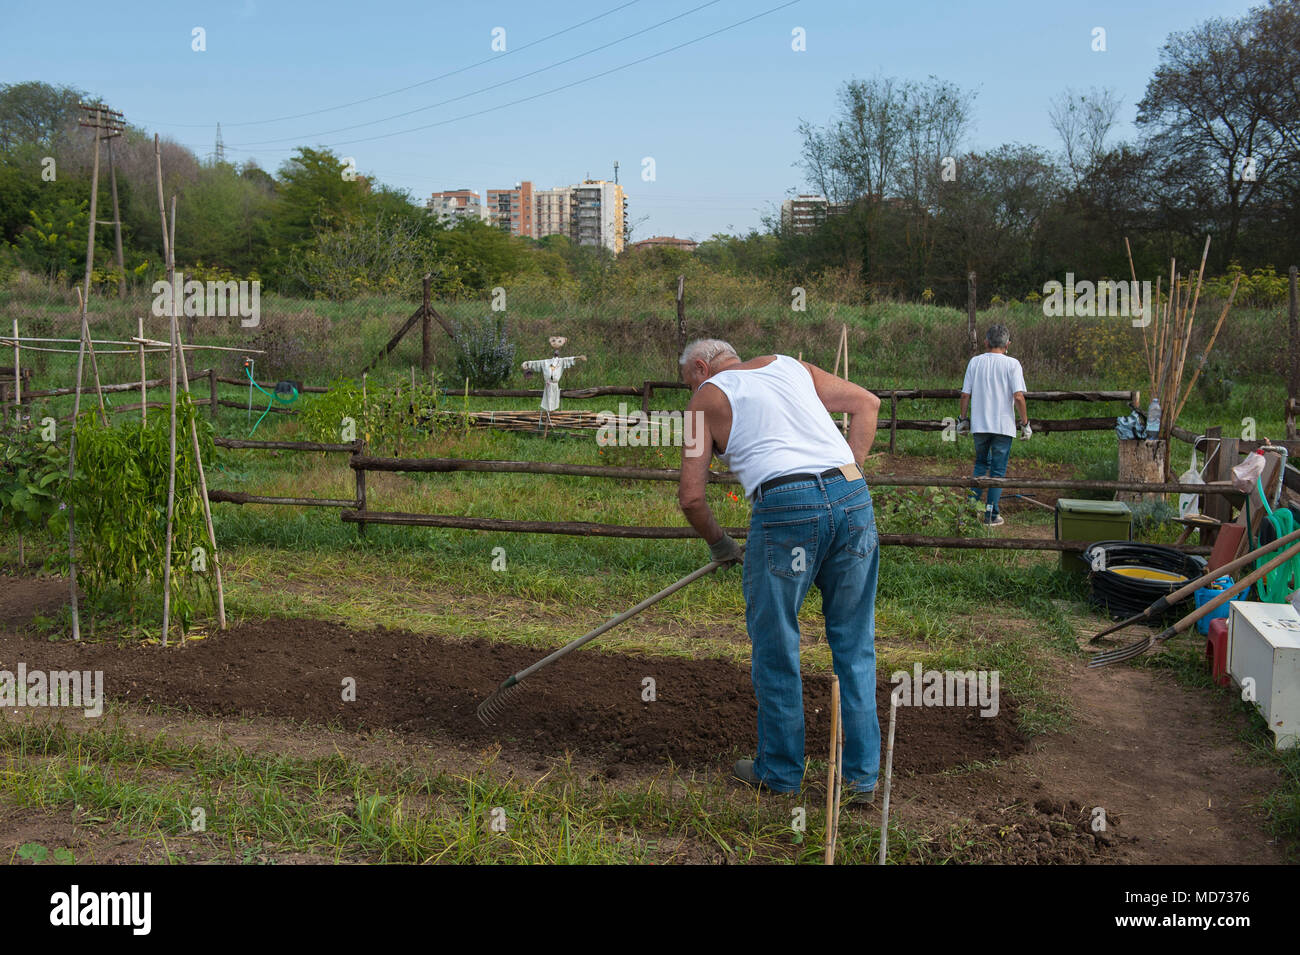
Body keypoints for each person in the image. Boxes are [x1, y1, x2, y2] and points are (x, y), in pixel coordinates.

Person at [676, 339, 882, 800]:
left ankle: (782, 772)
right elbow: (868, 404)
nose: (692, 387)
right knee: (853, 642)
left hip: (786, 507)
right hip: (852, 497)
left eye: (689, 378)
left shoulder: (704, 398)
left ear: (701, 366)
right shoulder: (790, 366)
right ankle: (860, 780)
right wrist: (850, 474)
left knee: (777, 644)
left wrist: (721, 544)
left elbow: (691, 497)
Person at [958, 324, 1030, 527]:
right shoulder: (1012, 364)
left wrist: (963, 419)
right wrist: (1025, 423)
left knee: (981, 465)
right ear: (1008, 344)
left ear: (986, 342)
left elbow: (965, 394)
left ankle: (971, 512)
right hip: (1003, 426)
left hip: (980, 425)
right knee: (998, 472)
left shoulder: (975, 362)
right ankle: (990, 514)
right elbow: (1018, 396)